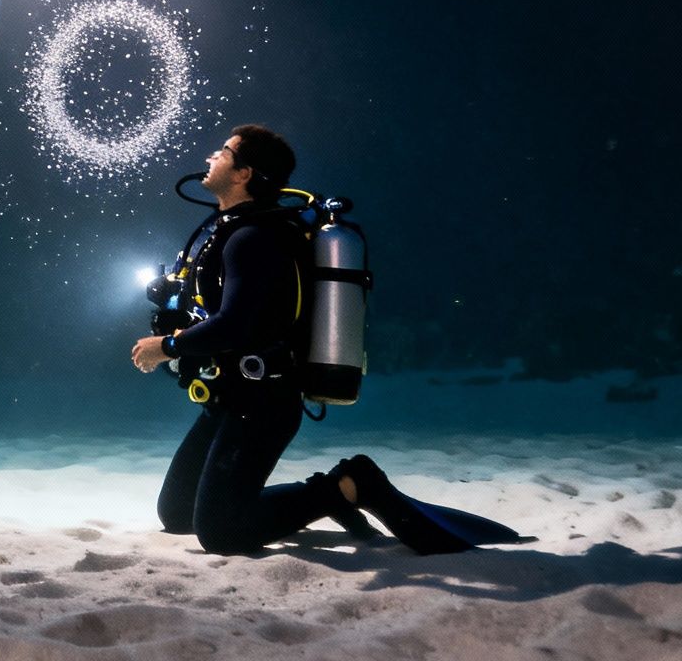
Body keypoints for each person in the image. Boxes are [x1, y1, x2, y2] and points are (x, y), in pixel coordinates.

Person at [130, 124, 520, 555]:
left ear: (244, 173)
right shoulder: (232, 230)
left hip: (262, 404)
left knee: (221, 533)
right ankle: (293, 497)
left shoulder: (253, 237)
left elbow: (237, 325)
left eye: (223, 152)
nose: (211, 157)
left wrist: (166, 347)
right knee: (178, 513)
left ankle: (348, 486)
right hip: (227, 397)